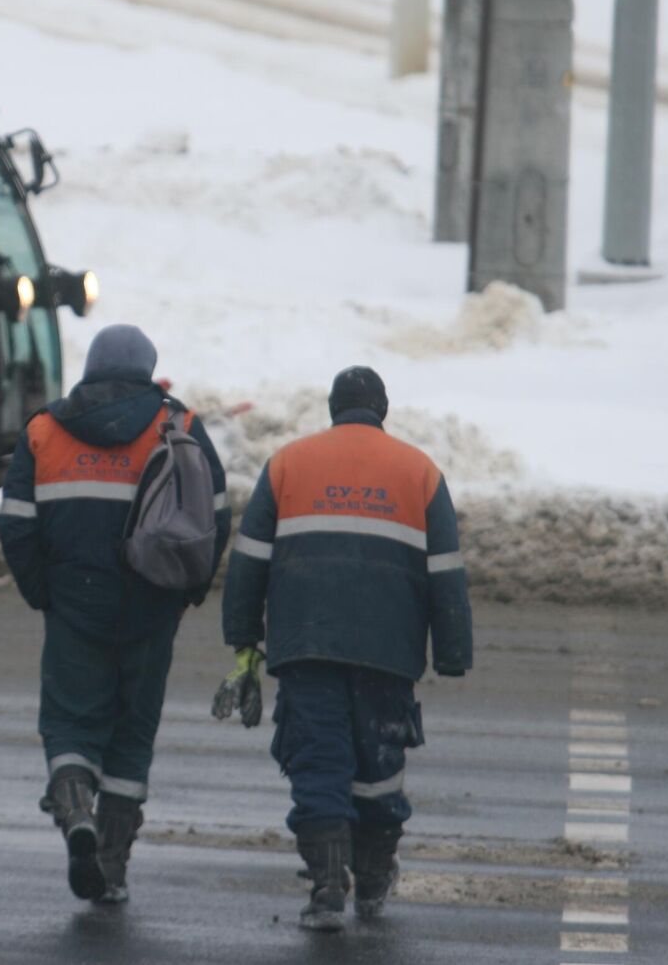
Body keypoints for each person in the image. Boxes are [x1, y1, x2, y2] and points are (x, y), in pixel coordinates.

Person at [221, 365, 473, 932]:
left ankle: (328, 886)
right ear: (381, 411)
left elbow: (249, 560)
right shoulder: (420, 472)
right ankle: (376, 875)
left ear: (333, 409)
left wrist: (244, 636)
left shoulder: (288, 463)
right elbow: (446, 574)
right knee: (378, 768)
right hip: (387, 653)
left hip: (306, 646)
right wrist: (453, 651)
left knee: (318, 765)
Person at [0, 325, 230, 905]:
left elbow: (15, 522)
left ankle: (76, 812)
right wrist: (186, 591)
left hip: (75, 604)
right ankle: (112, 866)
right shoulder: (179, 427)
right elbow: (214, 518)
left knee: (71, 723)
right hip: (152, 605)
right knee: (132, 733)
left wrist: (42, 591)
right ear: (149, 367)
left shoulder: (44, 430)